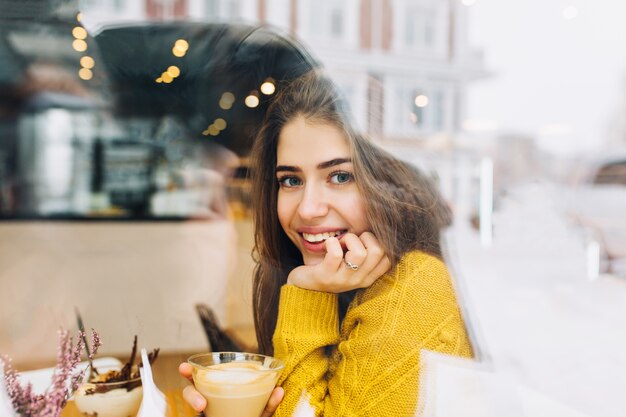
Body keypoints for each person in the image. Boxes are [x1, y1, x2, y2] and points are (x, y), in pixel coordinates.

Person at [179, 70, 473, 416]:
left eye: (340, 176)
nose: (307, 208)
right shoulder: (337, 283)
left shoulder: (414, 289)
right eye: (290, 180)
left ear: (389, 184)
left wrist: (305, 293)